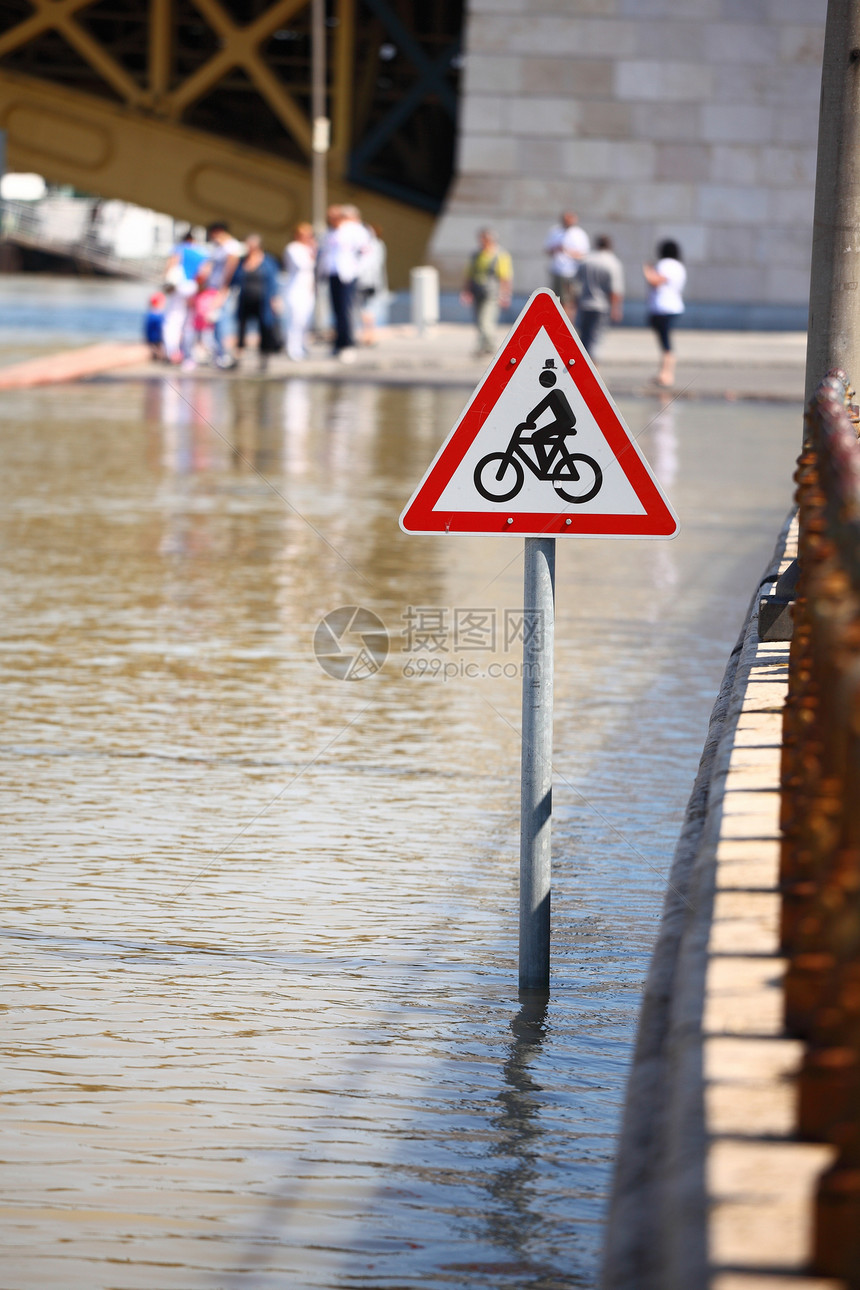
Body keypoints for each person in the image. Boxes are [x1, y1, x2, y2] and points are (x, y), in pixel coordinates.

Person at [318, 204, 370, 360]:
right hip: (333, 274)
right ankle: (338, 343)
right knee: (336, 311)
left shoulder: (354, 230)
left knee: (345, 310)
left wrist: (356, 269)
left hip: (347, 275)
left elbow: (365, 251)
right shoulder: (329, 233)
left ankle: (348, 343)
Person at [232, 234, 283, 371]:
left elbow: (273, 281)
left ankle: (264, 358)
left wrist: (275, 299)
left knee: (264, 327)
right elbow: (235, 279)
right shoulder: (242, 261)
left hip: (263, 300)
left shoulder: (268, 261)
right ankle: (239, 357)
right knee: (241, 328)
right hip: (245, 299)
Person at [461, 227, 513, 357]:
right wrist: (466, 291)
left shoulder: (500, 255)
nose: (483, 242)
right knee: (478, 321)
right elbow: (469, 274)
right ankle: (484, 346)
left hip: (492, 293)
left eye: (485, 240)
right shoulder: (476, 255)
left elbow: (505, 277)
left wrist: (505, 294)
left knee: (486, 321)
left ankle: (489, 345)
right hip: (477, 291)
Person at [199, 221, 243, 368]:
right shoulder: (218, 248)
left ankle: (225, 355)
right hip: (213, 289)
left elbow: (230, 268)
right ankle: (217, 353)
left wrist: (224, 288)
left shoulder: (231, 247)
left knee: (223, 320)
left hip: (224, 290)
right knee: (214, 321)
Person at [643, 239, 686, 388]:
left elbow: (655, 281)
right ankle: (664, 373)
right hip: (673, 307)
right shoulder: (679, 266)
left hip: (662, 308)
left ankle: (666, 375)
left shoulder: (665, 265)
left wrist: (647, 271)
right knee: (665, 342)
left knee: (665, 343)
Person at [575, 235, 625, 361]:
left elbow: (576, 283)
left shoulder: (586, 260)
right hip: (602, 306)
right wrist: (616, 309)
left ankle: (582, 368)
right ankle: (592, 372)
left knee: (583, 338)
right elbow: (615, 290)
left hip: (584, 304)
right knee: (595, 339)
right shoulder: (612, 263)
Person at [544, 212, 590, 320]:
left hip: (572, 272)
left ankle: (569, 322)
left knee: (571, 300)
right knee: (559, 299)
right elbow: (547, 250)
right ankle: (560, 321)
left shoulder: (579, 234)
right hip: (558, 271)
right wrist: (556, 249)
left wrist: (568, 252)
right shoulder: (555, 231)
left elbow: (584, 254)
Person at [283, 222, 317, 360]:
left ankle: (302, 346)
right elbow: (303, 265)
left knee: (306, 321)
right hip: (295, 290)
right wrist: (313, 252)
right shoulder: (293, 248)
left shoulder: (308, 249)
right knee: (296, 320)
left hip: (308, 290)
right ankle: (292, 348)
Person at [356, 223, 388, 346]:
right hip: (371, 281)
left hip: (367, 281)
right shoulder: (378, 245)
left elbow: (368, 265)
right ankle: (369, 334)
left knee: (366, 309)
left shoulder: (371, 246)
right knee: (367, 309)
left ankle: (368, 335)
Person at [144, 291, 166, 360]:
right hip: (157, 336)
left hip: (154, 336)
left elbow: (147, 328)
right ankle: (159, 356)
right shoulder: (159, 315)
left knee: (155, 347)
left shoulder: (152, 314)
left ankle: (158, 356)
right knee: (157, 347)